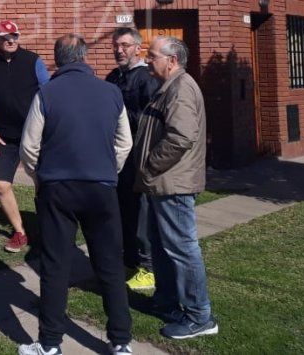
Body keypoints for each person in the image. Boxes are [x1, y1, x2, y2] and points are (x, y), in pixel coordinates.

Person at [19, 34, 134, 355]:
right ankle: (121, 341)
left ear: (57, 60)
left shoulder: (47, 92)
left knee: (55, 266)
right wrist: (109, 171)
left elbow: (29, 146)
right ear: (84, 57)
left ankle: (50, 343)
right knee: (110, 264)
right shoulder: (111, 92)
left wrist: (40, 177)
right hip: (101, 188)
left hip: (58, 188)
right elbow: (124, 142)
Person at [134, 36, 218, 340]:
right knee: (161, 246)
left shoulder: (181, 88)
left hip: (173, 183)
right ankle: (167, 302)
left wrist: (150, 165)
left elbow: (181, 137)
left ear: (172, 60)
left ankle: (199, 316)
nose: (147, 60)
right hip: (163, 183)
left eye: (152, 55)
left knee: (182, 249)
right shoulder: (168, 87)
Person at [0, 19, 50, 253]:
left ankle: (48, 230)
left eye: (14, 36)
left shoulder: (33, 61)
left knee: (43, 183)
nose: (10, 41)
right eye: (5, 37)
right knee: (1, 184)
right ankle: (20, 232)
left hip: (35, 134)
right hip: (4, 137)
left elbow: (48, 93)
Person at [106, 27, 160, 292]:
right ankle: (129, 261)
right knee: (123, 209)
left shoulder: (145, 78)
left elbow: (150, 119)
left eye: (125, 45)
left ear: (138, 48)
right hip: (118, 157)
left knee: (141, 212)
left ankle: (148, 268)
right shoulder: (113, 77)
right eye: (116, 45)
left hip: (139, 156)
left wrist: (119, 114)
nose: (119, 50)